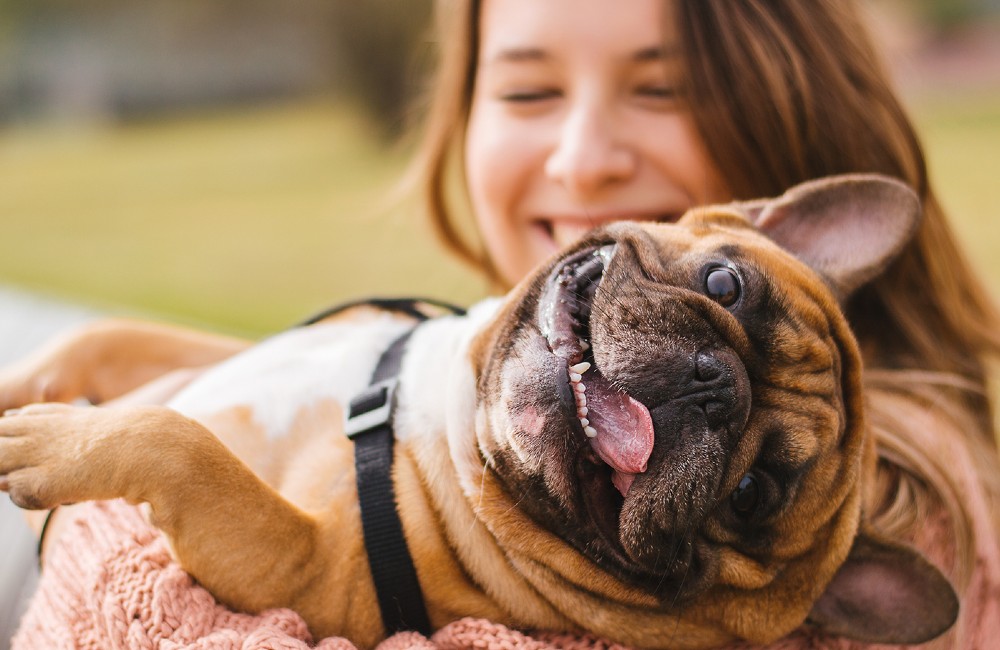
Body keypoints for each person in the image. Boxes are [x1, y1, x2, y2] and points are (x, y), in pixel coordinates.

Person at [5, 1, 1000, 648]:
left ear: (792, 122)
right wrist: (124, 358)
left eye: (750, 485)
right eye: (527, 89)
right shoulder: (479, 365)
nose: (579, 157)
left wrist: (116, 494)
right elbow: (317, 394)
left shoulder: (907, 495)